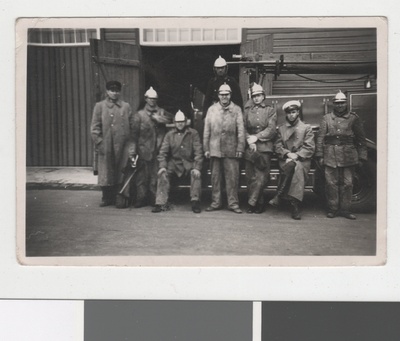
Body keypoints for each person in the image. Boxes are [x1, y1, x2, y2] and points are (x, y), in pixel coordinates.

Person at [315, 90, 367, 220]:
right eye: (337, 103)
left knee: (348, 183)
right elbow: (320, 138)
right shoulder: (326, 118)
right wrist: (320, 156)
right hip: (330, 155)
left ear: (346, 104)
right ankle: (333, 209)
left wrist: (362, 156)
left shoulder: (353, 118)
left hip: (348, 155)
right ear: (333, 104)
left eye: (342, 103)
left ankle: (345, 210)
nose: (339, 106)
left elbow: (361, 139)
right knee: (331, 183)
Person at [90, 80, 135, 207]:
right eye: (112, 90)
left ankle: (118, 196)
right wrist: (100, 143)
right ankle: (106, 197)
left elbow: (132, 126)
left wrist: (131, 144)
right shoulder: (100, 106)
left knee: (120, 171)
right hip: (106, 145)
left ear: (120, 92)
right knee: (106, 172)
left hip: (122, 145)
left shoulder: (126, 107)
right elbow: (95, 127)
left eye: (117, 91)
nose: (114, 93)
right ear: (107, 91)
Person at [268, 100, 315, 220]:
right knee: (293, 167)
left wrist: (297, 156)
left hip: (302, 159)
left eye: (293, 112)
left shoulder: (306, 128)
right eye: (289, 113)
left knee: (296, 168)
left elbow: (309, 147)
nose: (291, 115)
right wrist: (288, 154)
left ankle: (281, 196)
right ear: (286, 114)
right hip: (286, 159)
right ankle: (295, 205)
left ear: (298, 112)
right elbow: (277, 146)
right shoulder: (281, 129)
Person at [203, 83, 245, 214]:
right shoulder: (211, 110)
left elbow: (241, 131)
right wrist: (206, 148)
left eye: (227, 94)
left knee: (232, 178)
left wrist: (240, 148)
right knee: (215, 178)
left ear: (230, 95)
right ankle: (216, 202)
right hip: (215, 149)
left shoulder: (237, 110)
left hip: (231, 149)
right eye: (222, 94)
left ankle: (233, 203)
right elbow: (206, 131)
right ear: (218, 95)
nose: (224, 97)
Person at [152, 110, 204, 213]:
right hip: (174, 163)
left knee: (196, 175)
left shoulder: (193, 133)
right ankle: (160, 203)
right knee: (163, 174)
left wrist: (197, 167)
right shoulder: (169, 135)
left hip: (188, 162)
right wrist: (162, 166)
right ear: (175, 123)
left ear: (185, 122)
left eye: (182, 121)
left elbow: (198, 152)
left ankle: (195, 202)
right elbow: (163, 152)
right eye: (178, 122)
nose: (180, 124)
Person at [131, 86, 173, 208]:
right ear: (146, 99)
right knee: (141, 178)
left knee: (155, 176)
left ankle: (155, 199)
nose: (152, 101)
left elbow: (173, 118)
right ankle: (141, 199)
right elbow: (133, 136)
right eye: (150, 98)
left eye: (154, 99)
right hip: (143, 150)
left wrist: (161, 119)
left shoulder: (161, 111)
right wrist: (133, 152)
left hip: (158, 151)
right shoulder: (139, 115)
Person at [243, 83, 277, 213]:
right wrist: (248, 139)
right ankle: (260, 202)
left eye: (259, 95)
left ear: (263, 96)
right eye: (254, 96)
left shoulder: (270, 110)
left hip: (264, 147)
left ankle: (252, 203)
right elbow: (243, 127)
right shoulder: (247, 111)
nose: (256, 98)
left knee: (261, 177)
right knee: (250, 177)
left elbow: (271, 129)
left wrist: (256, 137)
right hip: (250, 147)